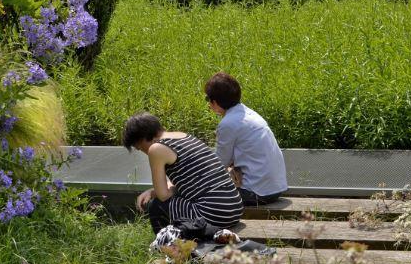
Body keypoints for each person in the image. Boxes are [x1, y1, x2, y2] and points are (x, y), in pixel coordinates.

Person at [122, 112, 243, 233]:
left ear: (142, 139)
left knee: (158, 206)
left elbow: (163, 196)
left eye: (139, 147)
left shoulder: (156, 148)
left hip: (213, 213)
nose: (142, 151)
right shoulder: (183, 136)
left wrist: (155, 193)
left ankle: (165, 247)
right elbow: (187, 184)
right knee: (172, 200)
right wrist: (153, 192)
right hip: (234, 208)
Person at [205, 72, 288, 206]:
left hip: (256, 192)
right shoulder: (249, 113)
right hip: (276, 188)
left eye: (207, 99)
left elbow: (219, 164)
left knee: (200, 194)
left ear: (214, 102)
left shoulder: (228, 123)